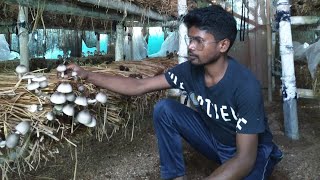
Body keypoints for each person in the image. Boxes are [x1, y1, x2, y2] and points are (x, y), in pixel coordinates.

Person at [67, 5, 283, 180]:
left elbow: (245, 158)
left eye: (199, 41)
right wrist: (88, 75)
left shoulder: (246, 86)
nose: (191, 46)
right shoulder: (190, 70)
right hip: (215, 142)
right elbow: (139, 86)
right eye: (190, 39)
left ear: (223, 45)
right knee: (165, 109)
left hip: (248, 154)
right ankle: (173, 175)